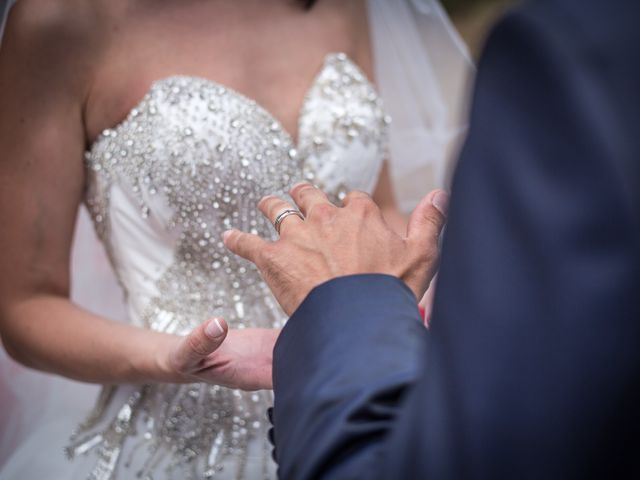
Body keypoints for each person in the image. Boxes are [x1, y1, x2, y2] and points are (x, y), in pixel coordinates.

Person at [0, 0, 471, 478]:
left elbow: (369, 207)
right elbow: (25, 304)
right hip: (177, 440)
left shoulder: (338, 5)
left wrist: (414, 288)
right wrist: (174, 354)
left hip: (364, 403)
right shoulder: (62, 19)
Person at [224, 0, 640, 477]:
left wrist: (350, 300)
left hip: (348, 371)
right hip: (194, 379)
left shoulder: (566, 51)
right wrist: (166, 358)